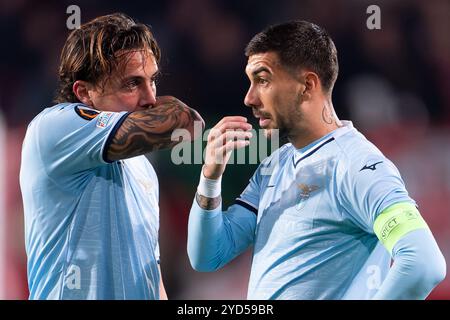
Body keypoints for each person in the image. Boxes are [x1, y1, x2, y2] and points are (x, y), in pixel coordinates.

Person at [187, 20, 446, 299]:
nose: (249, 98)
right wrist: (210, 177)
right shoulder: (275, 167)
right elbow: (207, 255)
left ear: (307, 85)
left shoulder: (356, 164)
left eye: (262, 80)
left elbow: (423, 263)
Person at [20, 13, 204, 299]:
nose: (150, 98)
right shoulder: (53, 129)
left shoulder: (142, 167)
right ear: (84, 92)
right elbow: (184, 121)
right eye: (131, 84)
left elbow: (150, 273)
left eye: (152, 81)